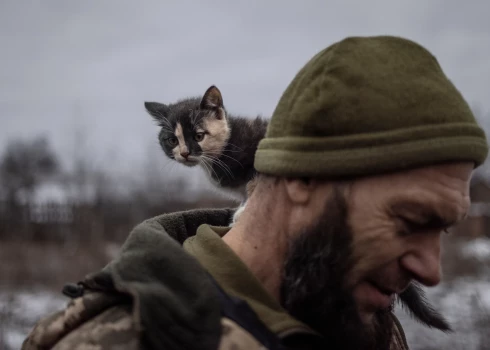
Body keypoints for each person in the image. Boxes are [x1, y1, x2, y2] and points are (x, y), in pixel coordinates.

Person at [22, 35, 488, 350]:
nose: (432, 270)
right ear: (302, 178)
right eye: (409, 221)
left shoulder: (361, 317)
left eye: (442, 230)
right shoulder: (119, 339)